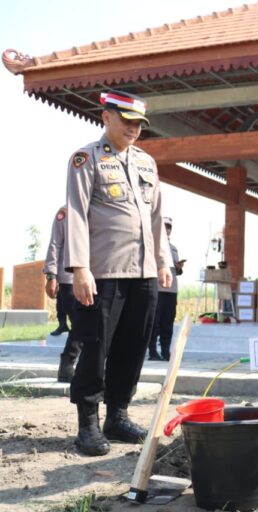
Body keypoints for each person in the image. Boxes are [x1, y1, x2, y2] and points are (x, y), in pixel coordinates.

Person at [64, 89, 172, 456]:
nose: (134, 129)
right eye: (126, 121)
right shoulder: (86, 159)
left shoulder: (146, 163)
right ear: (106, 116)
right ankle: (88, 423)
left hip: (142, 274)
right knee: (95, 348)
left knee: (133, 347)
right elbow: (76, 213)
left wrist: (163, 262)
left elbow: (156, 217)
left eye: (139, 124)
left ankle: (118, 415)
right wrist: (79, 268)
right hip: (102, 272)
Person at [43, 206, 82, 383]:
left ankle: (79, 367)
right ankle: (67, 365)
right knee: (80, 323)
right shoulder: (65, 212)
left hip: (97, 278)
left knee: (90, 324)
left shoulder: (98, 207)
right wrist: (51, 275)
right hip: (69, 279)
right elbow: (55, 244)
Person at [148, 217, 184, 360]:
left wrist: (179, 267)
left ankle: (165, 351)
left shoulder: (174, 248)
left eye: (169, 227)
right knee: (154, 323)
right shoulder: (152, 245)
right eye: (165, 227)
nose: (167, 230)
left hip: (171, 290)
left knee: (168, 322)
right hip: (158, 288)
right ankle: (152, 351)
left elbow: (178, 272)